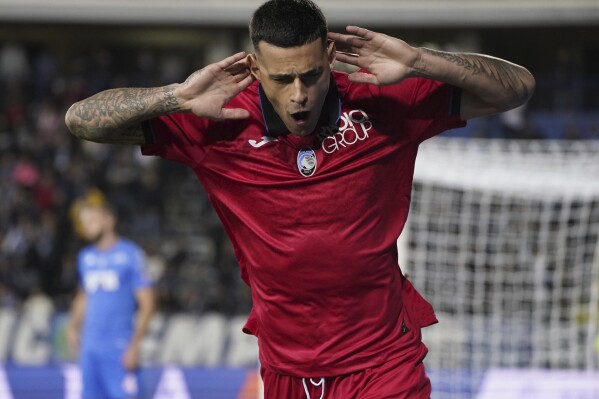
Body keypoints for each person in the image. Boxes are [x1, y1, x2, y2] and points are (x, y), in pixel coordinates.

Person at [64, 0, 535, 397]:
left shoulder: (383, 98)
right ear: (253, 68)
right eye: (282, 79)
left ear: (330, 55)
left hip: (383, 362)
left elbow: (516, 89)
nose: (299, 96)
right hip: (286, 370)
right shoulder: (219, 119)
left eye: (311, 76)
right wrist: (174, 97)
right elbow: (81, 121)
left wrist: (421, 62)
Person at [67, 199, 155, 399]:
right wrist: (73, 326)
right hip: (90, 348)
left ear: (109, 221)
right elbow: (84, 294)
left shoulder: (130, 254)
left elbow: (147, 303)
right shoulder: (85, 257)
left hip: (118, 347)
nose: (87, 225)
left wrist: (134, 345)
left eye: (92, 219)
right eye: (84, 221)